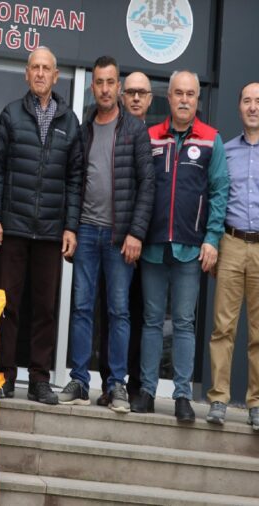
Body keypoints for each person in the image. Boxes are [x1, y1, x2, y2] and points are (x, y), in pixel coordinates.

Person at [0, 47, 83, 404]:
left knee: (44, 308)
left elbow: (75, 179)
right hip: (12, 227)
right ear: (26, 74)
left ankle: (40, 379)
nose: (40, 74)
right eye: (35, 68)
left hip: (50, 232)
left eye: (46, 69)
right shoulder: (11, 115)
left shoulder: (70, 122)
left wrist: (70, 227)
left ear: (56, 76)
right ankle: (5, 376)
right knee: (8, 305)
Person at [57, 56, 154, 412]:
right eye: (99, 82)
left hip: (119, 237)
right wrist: (70, 227)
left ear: (119, 86)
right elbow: (74, 184)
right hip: (86, 231)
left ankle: (116, 385)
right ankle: (80, 381)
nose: (105, 89)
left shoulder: (134, 130)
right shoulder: (84, 129)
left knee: (119, 311)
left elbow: (147, 185)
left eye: (111, 82)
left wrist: (136, 233)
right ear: (92, 86)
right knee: (82, 308)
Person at [132, 70, 229, 422]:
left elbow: (219, 191)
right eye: (178, 93)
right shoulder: (150, 137)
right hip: (153, 245)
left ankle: (183, 396)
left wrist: (212, 238)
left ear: (197, 99)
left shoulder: (211, 140)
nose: (184, 99)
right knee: (152, 320)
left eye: (190, 94)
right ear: (169, 97)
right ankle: (146, 391)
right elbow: (138, 187)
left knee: (185, 323)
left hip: (191, 247)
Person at [96, 71, 154, 407]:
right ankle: (111, 383)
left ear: (150, 99)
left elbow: (149, 188)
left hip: (149, 243)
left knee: (141, 313)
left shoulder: (157, 136)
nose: (134, 97)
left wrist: (138, 233)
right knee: (113, 309)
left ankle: (137, 384)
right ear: (121, 94)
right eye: (129, 91)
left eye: (141, 93)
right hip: (116, 241)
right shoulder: (110, 129)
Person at [205, 81, 259, 430]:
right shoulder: (225, 150)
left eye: (258, 101)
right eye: (248, 101)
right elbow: (215, 197)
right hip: (231, 242)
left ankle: (257, 403)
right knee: (223, 327)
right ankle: (218, 399)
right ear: (239, 107)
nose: (253, 107)